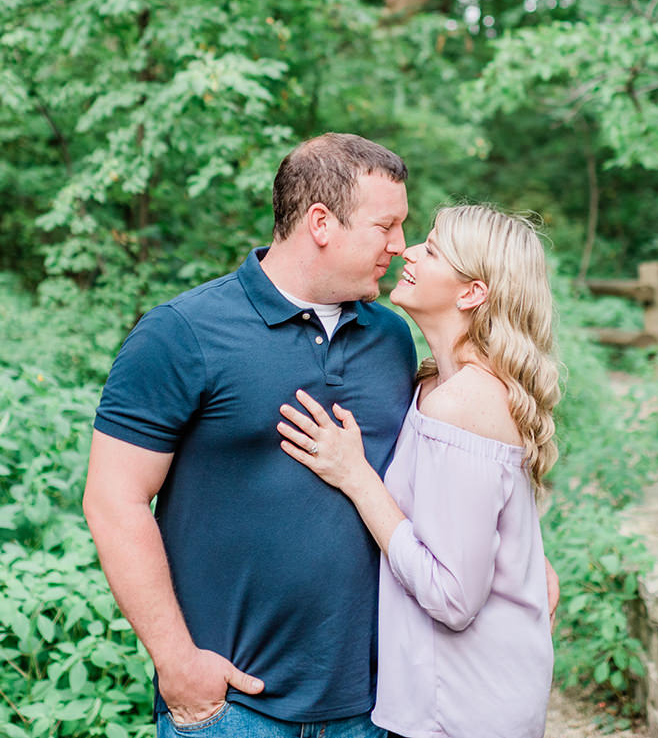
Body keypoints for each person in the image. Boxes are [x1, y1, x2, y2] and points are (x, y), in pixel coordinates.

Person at [83, 133, 417, 737]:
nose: (399, 247)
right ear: (321, 222)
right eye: (385, 227)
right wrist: (177, 662)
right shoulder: (181, 333)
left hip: (374, 705)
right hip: (233, 706)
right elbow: (114, 499)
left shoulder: (393, 339)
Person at [276, 204, 560, 738]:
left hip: (466, 707)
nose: (407, 251)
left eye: (430, 249)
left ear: (471, 292)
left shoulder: (467, 402)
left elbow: (453, 598)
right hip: (441, 696)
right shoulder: (433, 384)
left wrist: (356, 477)